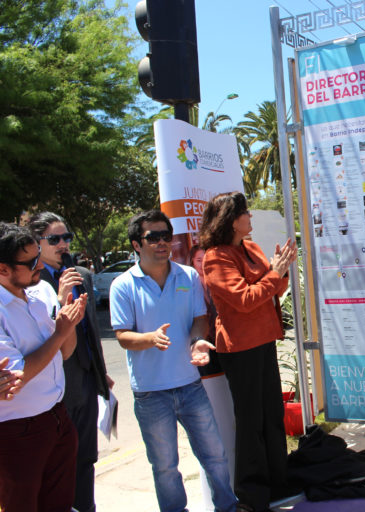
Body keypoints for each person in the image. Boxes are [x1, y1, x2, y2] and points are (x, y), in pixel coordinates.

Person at [109, 210, 237, 512]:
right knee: (165, 467)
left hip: (190, 387)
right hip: (151, 393)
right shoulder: (123, 285)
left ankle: (228, 508)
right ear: (136, 245)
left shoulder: (188, 275)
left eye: (166, 236)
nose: (162, 242)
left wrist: (195, 341)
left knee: (215, 456)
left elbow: (198, 319)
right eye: (153, 237)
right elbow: (123, 336)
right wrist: (150, 339)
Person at [199, 191, 297, 512]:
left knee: (272, 414)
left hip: (264, 340)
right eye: (245, 213)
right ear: (230, 218)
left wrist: (281, 272)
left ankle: (278, 480)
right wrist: (274, 273)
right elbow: (244, 299)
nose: (250, 217)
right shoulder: (216, 257)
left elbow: (272, 290)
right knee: (251, 420)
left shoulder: (251, 248)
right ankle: (252, 494)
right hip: (240, 349)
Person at [0, 222, 87, 511]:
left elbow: (65, 354)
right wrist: (60, 332)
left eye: (38, 257)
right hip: (16, 434)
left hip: (57, 418)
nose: (40, 265)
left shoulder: (42, 291)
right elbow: (16, 376)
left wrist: (67, 324)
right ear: (3, 269)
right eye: (32, 262)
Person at [28, 211, 112, 512]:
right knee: (59, 460)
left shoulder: (82, 276)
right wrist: (58, 300)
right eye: (54, 239)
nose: (63, 244)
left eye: (67, 238)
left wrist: (102, 374)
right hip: (56, 380)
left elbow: (92, 331)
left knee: (86, 456)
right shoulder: (32, 284)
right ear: (37, 243)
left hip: (87, 377)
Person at [189, 244, 237, 512]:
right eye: (197, 259)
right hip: (204, 365)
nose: (202, 264)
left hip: (226, 358)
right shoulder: (190, 288)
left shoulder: (218, 282)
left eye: (205, 259)